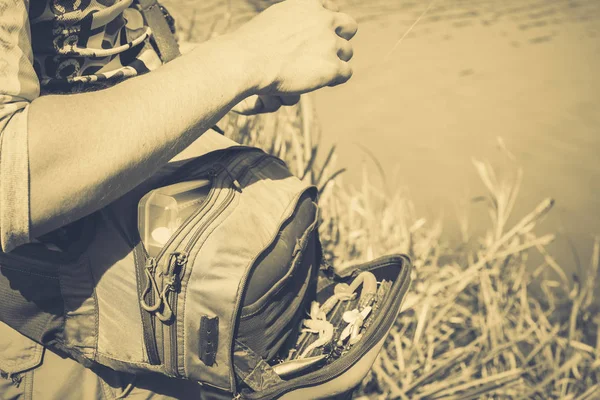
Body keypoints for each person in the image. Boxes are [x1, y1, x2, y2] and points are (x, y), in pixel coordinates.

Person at [0, 0, 357, 398]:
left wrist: (192, 71)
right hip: (60, 347)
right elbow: (10, 176)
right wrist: (246, 56)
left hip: (169, 315)